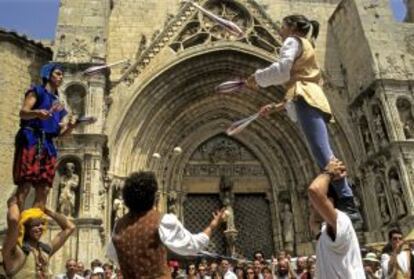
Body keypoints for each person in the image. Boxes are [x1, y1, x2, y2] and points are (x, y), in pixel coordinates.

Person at [245, 14, 361, 226]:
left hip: (306, 97)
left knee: (323, 153)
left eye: (282, 25)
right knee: (322, 153)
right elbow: (301, 80)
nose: (280, 30)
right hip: (310, 96)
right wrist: (277, 107)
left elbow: (282, 70)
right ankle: (340, 198)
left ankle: (347, 201)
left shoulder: (292, 41)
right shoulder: (306, 45)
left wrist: (257, 78)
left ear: (290, 26)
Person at [107, 171, 226, 278]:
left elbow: (113, 256)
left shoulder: (119, 226)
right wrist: (212, 226)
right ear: (153, 197)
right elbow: (193, 245)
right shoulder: (162, 221)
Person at [13, 63, 77, 210]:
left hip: (48, 144)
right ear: (48, 75)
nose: (61, 77)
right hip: (31, 138)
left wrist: (71, 127)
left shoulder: (58, 105)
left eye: (62, 75)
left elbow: (60, 135)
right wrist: (37, 113)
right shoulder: (37, 92)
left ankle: (33, 223)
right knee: (25, 184)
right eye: (58, 74)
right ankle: (17, 226)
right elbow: (23, 112)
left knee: (44, 188)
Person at [307, 158, 365, 278]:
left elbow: (314, 190)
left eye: (314, 203)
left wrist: (329, 173)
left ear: (330, 201)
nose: (310, 206)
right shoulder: (324, 234)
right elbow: (313, 223)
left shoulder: (342, 222)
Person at [2, 196, 76, 278]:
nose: (41, 227)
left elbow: (70, 227)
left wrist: (47, 211)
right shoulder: (17, 251)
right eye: (36, 224)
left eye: (42, 224)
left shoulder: (45, 250)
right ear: (25, 227)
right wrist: (12, 204)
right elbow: (13, 221)